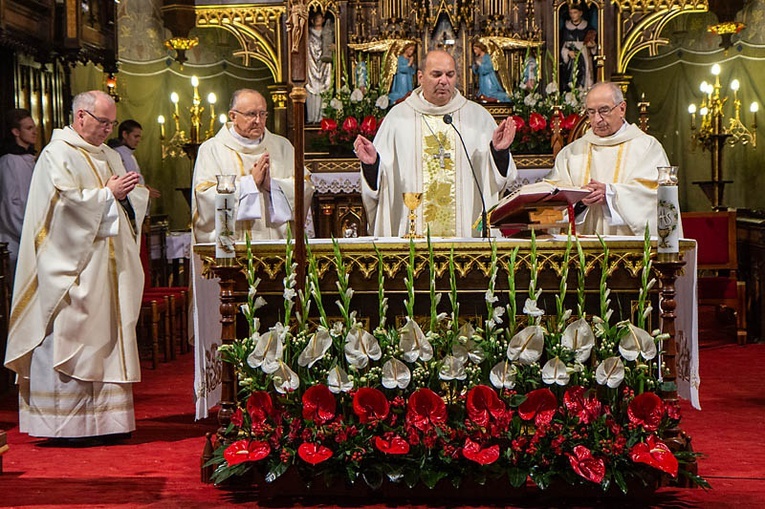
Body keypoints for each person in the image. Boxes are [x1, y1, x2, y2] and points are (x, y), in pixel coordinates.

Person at [4, 90, 149, 444]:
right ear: (81, 116)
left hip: (108, 269)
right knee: (71, 334)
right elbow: (58, 209)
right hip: (71, 271)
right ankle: (65, 427)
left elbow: (130, 199)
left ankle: (109, 422)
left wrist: (129, 196)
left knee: (109, 339)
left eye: (112, 124)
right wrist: (106, 196)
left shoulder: (111, 155)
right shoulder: (56, 155)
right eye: (103, 122)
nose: (107, 130)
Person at [354, 50, 518, 238]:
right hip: (412, 240)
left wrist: (499, 152)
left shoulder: (478, 117)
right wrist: (372, 165)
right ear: (420, 77)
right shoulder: (398, 118)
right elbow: (382, 182)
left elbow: (499, 179)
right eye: (436, 74)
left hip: (466, 237)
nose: (444, 81)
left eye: (450, 74)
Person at [192, 88, 314, 243]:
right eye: (251, 114)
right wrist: (250, 184)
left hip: (278, 246)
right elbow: (205, 197)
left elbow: (306, 187)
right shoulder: (212, 149)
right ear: (233, 116)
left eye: (262, 114)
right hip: (232, 248)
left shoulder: (282, 147)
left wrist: (273, 186)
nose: (258, 120)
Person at [546, 82, 670, 236]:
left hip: (630, 251)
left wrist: (611, 194)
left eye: (604, 110)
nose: (597, 119)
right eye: (591, 112)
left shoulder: (647, 148)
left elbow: (657, 197)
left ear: (622, 109)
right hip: (579, 248)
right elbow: (551, 199)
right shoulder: (571, 153)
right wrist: (579, 201)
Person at [0, 109, 37, 285]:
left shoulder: (30, 159)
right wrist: (27, 233)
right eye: (29, 128)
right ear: (16, 132)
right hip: (15, 238)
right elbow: (10, 205)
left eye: (34, 127)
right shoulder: (9, 161)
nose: (34, 131)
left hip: (30, 234)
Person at [108, 120, 161, 198]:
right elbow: (123, 183)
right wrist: (144, 193)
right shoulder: (116, 154)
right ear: (125, 134)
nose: (138, 140)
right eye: (136, 136)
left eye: (139, 137)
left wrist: (144, 188)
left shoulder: (129, 154)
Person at [560, 3, 597, 92]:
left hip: (584, 54)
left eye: (575, 12)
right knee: (571, 78)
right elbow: (561, 46)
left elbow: (594, 46)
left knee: (585, 76)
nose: (573, 15)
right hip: (571, 58)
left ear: (580, 13)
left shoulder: (588, 27)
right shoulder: (565, 28)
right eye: (571, 13)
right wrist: (568, 53)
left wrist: (592, 46)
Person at [306, 11, 334, 123]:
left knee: (325, 88)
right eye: (316, 17)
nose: (318, 19)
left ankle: (323, 117)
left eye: (320, 17)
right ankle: (312, 117)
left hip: (324, 64)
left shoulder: (328, 31)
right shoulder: (307, 32)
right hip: (311, 63)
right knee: (311, 89)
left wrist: (334, 48)